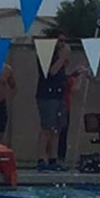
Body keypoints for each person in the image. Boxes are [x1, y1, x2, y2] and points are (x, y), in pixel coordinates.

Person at [36, 32, 69, 171]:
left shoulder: (59, 56)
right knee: (47, 129)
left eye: (64, 41)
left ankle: (53, 159)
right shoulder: (45, 52)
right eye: (60, 40)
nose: (63, 44)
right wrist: (63, 58)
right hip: (47, 96)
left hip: (59, 95)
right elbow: (52, 72)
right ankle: (41, 159)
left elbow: (60, 74)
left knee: (57, 129)